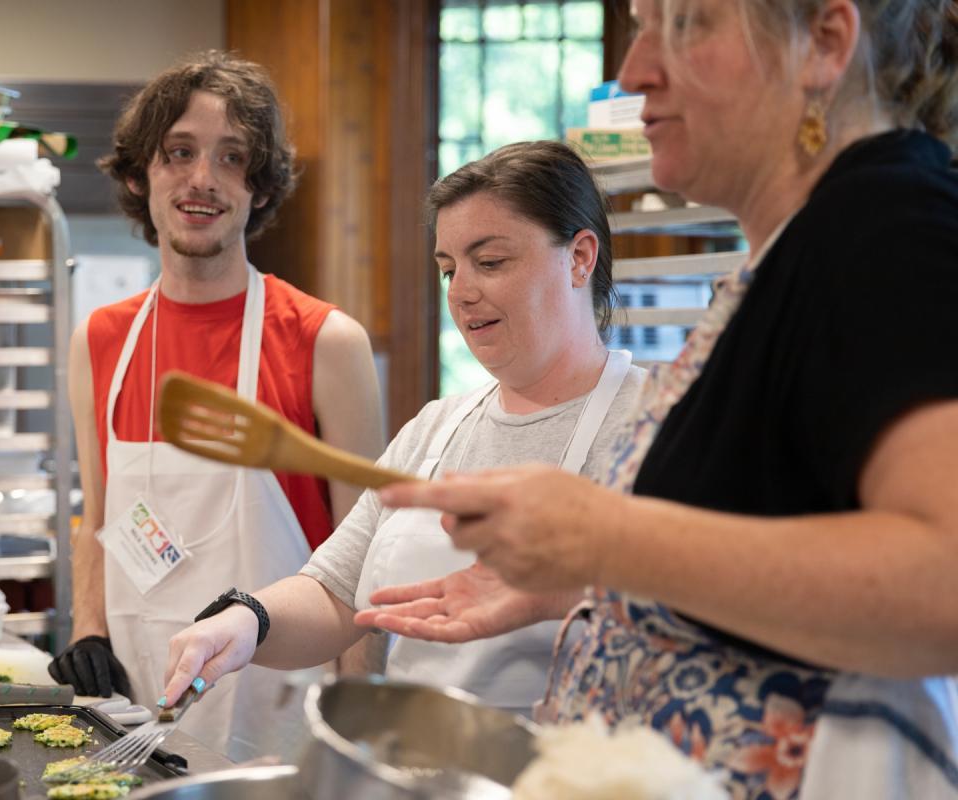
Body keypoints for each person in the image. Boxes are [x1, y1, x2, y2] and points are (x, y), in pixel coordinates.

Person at [361, 1, 958, 798]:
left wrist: (605, 539)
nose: (636, 70)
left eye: (688, 23)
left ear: (824, 44)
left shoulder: (888, 227)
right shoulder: (797, 253)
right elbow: (771, 558)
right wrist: (586, 583)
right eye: (642, 24)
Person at [158, 140, 648, 720]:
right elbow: (335, 594)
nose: (462, 292)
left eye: (490, 262)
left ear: (579, 257)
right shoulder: (436, 429)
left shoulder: (656, 424)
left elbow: (711, 612)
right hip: (416, 768)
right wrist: (247, 620)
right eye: (448, 269)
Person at [48, 50, 384, 760]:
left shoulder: (326, 342)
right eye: (179, 153)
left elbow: (366, 563)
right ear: (141, 175)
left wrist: (358, 736)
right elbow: (99, 513)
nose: (203, 179)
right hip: (137, 720)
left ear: (260, 188)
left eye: (233, 158)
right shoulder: (101, 340)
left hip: (284, 724)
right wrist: (87, 628)